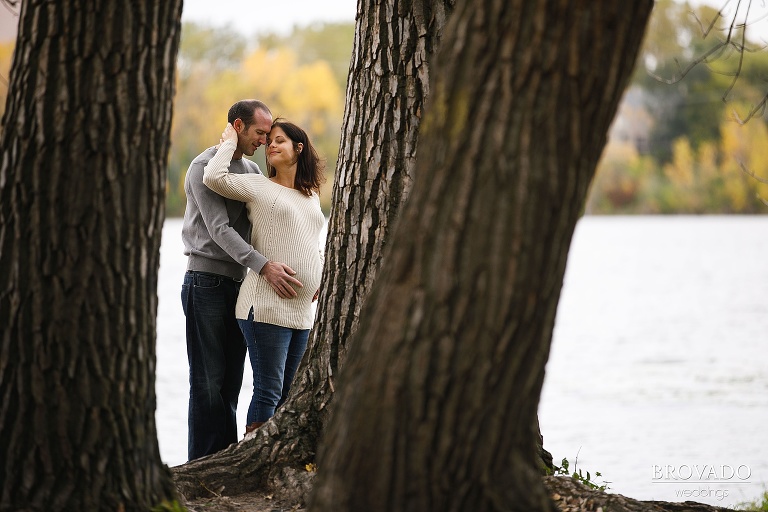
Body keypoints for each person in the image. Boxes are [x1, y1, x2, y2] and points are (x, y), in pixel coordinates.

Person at [181, 100, 303, 461]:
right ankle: (203, 461)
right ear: (238, 126)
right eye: (260, 133)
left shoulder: (249, 168)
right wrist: (264, 267)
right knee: (208, 384)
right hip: (205, 283)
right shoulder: (203, 166)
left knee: (232, 382)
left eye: (269, 135)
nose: (266, 140)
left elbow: (263, 225)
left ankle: (226, 459)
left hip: (238, 287)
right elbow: (219, 230)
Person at [203, 118, 326, 438]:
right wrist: (229, 141)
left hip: (301, 312)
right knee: (269, 392)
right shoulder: (259, 187)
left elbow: (313, 240)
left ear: (298, 148)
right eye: (268, 140)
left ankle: (274, 457)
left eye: (279, 140)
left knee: (290, 394)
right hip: (264, 306)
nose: (270, 145)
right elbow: (213, 176)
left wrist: (320, 274)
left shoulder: (310, 195)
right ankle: (250, 458)